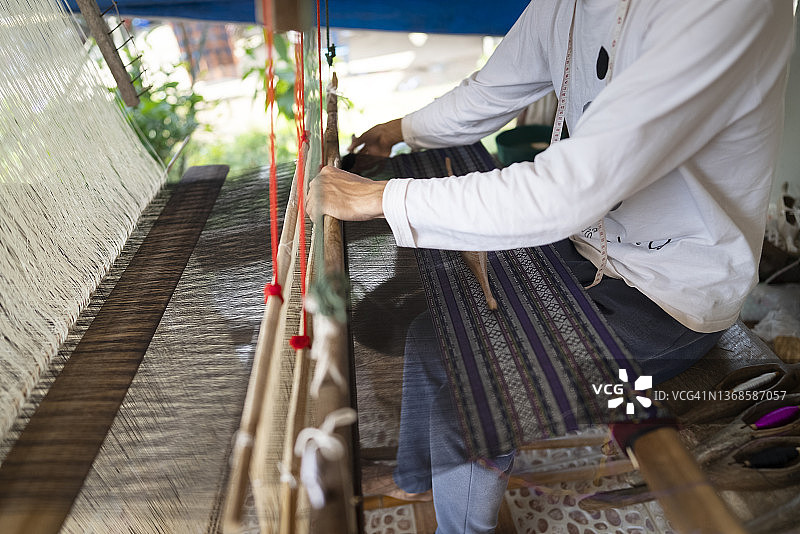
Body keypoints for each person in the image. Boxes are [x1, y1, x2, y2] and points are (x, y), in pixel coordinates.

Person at [307, 0, 796, 531]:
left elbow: (567, 190)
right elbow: (494, 87)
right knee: (436, 336)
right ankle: (414, 478)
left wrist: (379, 198)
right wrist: (402, 129)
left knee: (473, 406)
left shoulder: (721, 9)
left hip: (674, 293)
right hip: (585, 250)